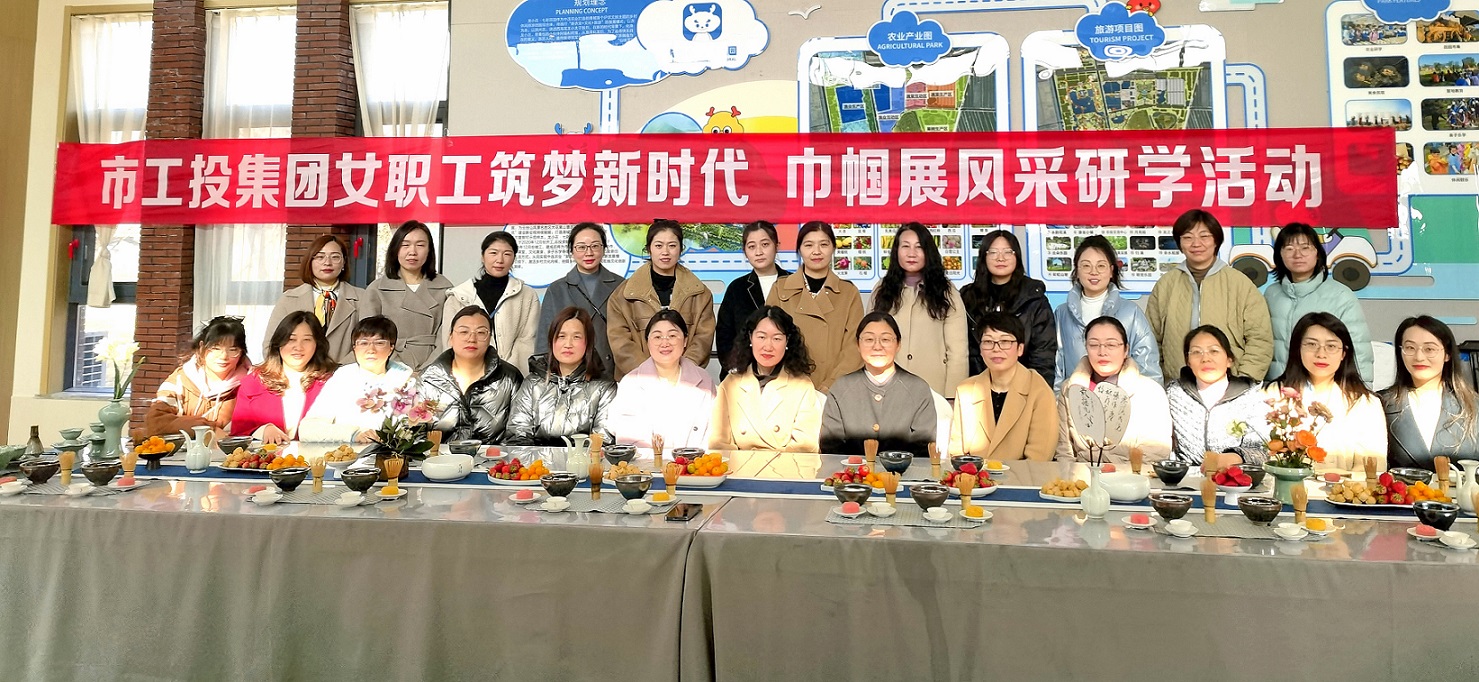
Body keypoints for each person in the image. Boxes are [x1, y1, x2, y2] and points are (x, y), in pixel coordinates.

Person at [1147, 209, 1273, 381]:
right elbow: (1151, 340)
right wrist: (1161, 382)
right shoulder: (1165, 285)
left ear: (1216, 241)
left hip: (1231, 384)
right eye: (1188, 237)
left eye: (1204, 236)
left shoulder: (1240, 284)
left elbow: (1260, 339)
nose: (1196, 243)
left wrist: (1244, 381)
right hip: (1177, 384)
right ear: (1180, 243)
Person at [1269, 312, 1385, 471]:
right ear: (1298, 349)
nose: (1321, 354)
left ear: (1344, 353)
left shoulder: (1365, 403)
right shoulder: (1273, 395)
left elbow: (1372, 468)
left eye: (1331, 346)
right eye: (1311, 344)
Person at [1263, 223, 1374, 384]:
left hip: (1323, 389)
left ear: (1318, 253)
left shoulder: (1341, 295)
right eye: (1289, 248)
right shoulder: (1271, 294)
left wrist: (1361, 390)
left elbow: (1359, 350)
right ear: (1279, 255)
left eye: (1305, 248)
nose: (1297, 254)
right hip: (1277, 389)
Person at [606, 220, 716, 379]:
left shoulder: (700, 294)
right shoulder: (622, 295)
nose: (665, 252)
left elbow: (703, 339)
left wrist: (680, 373)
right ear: (648, 249)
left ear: (681, 249)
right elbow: (620, 343)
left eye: (672, 245)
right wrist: (650, 375)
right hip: (638, 382)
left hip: (685, 382)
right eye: (658, 246)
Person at [1054, 317, 1172, 464]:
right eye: (1094, 345)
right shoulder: (1069, 388)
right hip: (1080, 475)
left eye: (1111, 345)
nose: (1102, 352)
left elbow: (1155, 454)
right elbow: (1063, 451)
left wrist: (1109, 470)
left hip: (1132, 475)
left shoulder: (1151, 392)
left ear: (1126, 349)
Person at [870, 222, 968, 398]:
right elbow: (869, 343)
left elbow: (958, 351)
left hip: (934, 391)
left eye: (919, 247)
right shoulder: (881, 290)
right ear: (896, 251)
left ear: (928, 252)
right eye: (905, 246)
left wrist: (952, 396)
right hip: (886, 390)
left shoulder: (946, 292)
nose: (911, 253)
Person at [821, 312, 936, 457]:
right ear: (858, 344)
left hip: (904, 471)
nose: (877, 346)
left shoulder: (918, 389)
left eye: (885, 339)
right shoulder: (841, 388)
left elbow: (923, 450)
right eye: (869, 339)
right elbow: (831, 449)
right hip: (850, 471)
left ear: (898, 344)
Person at [767, 221, 865, 392]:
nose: (816, 251)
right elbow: (768, 340)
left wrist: (829, 386)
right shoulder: (780, 289)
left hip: (835, 389)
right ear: (799, 250)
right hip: (788, 388)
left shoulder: (848, 293)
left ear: (833, 248)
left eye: (824, 245)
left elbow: (854, 348)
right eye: (809, 245)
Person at [1053, 235, 1160, 390]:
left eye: (1101, 266)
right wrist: (1058, 399)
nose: (1094, 272)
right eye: (1086, 266)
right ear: (1076, 270)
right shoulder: (1062, 313)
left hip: (1123, 398)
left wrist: (1148, 396)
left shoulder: (1131, 312)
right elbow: (1058, 364)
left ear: (1111, 271)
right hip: (1075, 398)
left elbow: (1148, 365)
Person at [711, 306, 824, 452]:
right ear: (750, 337)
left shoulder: (802, 385)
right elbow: (719, 442)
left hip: (786, 464)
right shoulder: (731, 383)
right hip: (739, 464)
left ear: (787, 341)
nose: (768, 347)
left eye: (777, 338)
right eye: (761, 337)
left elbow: (805, 446)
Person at [948, 312, 1058, 461]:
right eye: (988, 341)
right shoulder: (966, 390)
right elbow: (957, 453)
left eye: (1005, 341)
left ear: (1020, 349)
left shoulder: (1039, 391)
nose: (996, 349)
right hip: (973, 475)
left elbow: (1039, 458)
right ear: (980, 348)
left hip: (1023, 476)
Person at [504, 307, 618, 446]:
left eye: (576, 337)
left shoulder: (604, 386)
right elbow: (517, 435)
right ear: (552, 341)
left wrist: (575, 458)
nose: (568, 344)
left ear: (588, 343)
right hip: (535, 459)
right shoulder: (532, 383)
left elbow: (602, 440)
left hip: (582, 458)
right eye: (561, 336)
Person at [960, 229, 1057, 386]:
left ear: (1016, 256)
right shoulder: (968, 298)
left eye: (1007, 252)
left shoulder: (1034, 298)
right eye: (993, 252)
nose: (1001, 258)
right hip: (979, 387)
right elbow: (966, 351)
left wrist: (1036, 390)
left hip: (1024, 386)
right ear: (984, 257)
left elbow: (1043, 353)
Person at [1381, 316, 1479, 469]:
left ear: (1447, 354)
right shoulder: (1380, 404)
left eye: (1429, 349)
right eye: (1410, 348)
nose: (1419, 357)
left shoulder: (1473, 406)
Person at [609, 310, 716, 449]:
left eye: (672, 336)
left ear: (685, 340)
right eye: (657, 337)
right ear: (647, 342)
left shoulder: (704, 380)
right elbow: (627, 438)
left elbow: (714, 431)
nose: (665, 343)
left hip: (696, 460)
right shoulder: (631, 383)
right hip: (646, 461)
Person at [1165, 325, 1270, 467]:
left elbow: (1263, 451)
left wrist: (1236, 457)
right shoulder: (1173, 393)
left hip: (1233, 476)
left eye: (1214, 351)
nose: (1205, 358)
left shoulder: (1251, 397)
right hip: (1183, 477)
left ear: (1229, 359)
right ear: (1188, 361)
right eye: (1196, 352)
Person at [299, 316, 415, 443]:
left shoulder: (405, 381)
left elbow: (416, 430)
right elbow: (308, 429)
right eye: (364, 343)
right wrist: (353, 434)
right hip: (346, 453)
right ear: (354, 348)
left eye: (379, 343)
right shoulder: (342, 379)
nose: (371, 350)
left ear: (391, 347)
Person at [440, 230, 540, 374]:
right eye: (493, 253)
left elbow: (527, 340)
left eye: (507, 254)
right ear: (483, 256)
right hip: (468, 374)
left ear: (514, 258)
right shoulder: (459, 296)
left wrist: (507, 372)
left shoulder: (527, 296)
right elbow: (449, 341)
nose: (500, 260)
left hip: (513, 375)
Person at [419, 306, 524, 443]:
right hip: (438, 456)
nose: (471, 339)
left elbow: (518, 435)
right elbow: (414, 435)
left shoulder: (509, 378)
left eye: (481, 332)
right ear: (450, 337)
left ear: (490, 338)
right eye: (464, 332)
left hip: (494, 456)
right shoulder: (427, 379)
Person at [137, 316, 251, 439]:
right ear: (202, 346)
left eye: (233, 350)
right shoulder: (180, 380)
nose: (223, 356)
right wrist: (207, 429)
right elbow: (155, 422)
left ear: (242, 352)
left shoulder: (252, 385)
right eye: (215, 348)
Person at [362, 220, 454, 370]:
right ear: (395, 249)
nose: (412, 252)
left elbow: (447, 336)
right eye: (405, 245)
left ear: (429, 250)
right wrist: (397, 368)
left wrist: (430, 368)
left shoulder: (445, 288)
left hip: (433, 366)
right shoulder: (377, 289)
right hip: (387, 366)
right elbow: (369, 337)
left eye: (420, 245)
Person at [231, 312, 336, 443]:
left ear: (317, 344)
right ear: (279, 343)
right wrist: (263, 430)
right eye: (291, 339)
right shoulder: (254, 381)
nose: (298, 347)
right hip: (267, 454)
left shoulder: (332, 382)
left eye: (307, 340)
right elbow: (237, 433)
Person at [535, 222, 624, 378]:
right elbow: (544, 338)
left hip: (610, 370)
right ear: (572, 250)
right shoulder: (557, 289)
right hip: (568, 372)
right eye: (581, 247)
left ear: (604, 248)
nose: (589, 253)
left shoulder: (620, 285)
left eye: (595, 246)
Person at [263, 234, 363, 364]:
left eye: (335, 257)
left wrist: (339, 371)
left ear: (344, 262)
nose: (327, 262)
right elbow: (271, 344)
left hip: (344, 373)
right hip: (298, 372)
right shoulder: (289, 299)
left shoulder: (362, 298)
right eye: (320, 257)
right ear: (310, 262)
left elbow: (368, 343)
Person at [716, 221, 790, 376]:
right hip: (743, 373)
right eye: (751, 246)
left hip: (788, 373)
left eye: (765, 244)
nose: (758, 252)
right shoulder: (737, 288)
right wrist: (736, 369)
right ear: (745, 251)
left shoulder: (794, 283)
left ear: (777, 246)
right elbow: (724, 335)